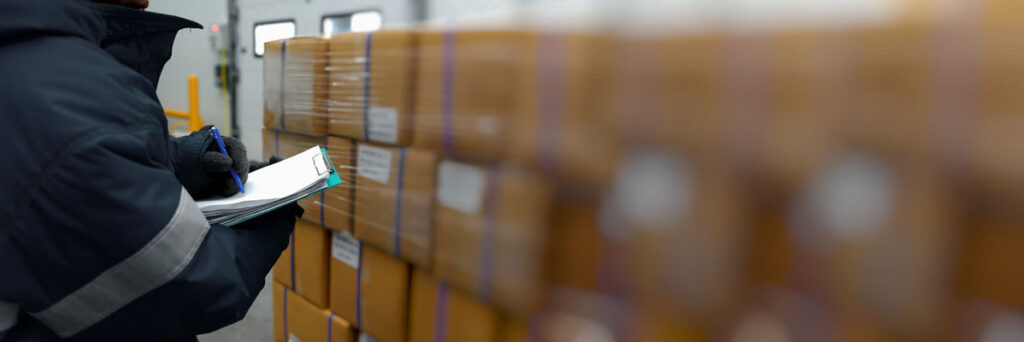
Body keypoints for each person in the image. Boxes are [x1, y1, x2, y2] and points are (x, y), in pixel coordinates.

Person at [0, 0, 302, 340]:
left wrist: (191, 159)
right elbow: (191, 283)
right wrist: (273, 214)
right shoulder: (63, 87)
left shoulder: (25, 63)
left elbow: (73, 160)